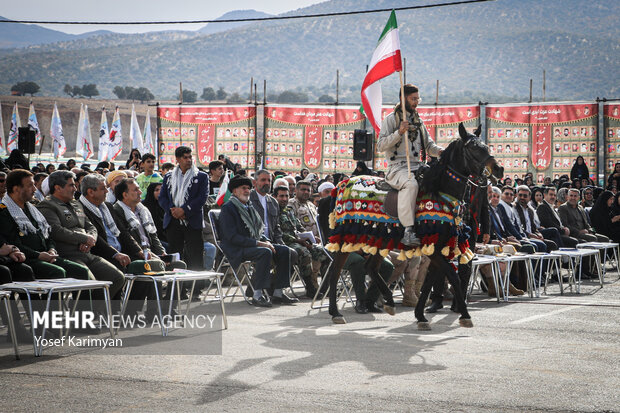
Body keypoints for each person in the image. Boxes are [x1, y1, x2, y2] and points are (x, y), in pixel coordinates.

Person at [37, 171, 126, 304]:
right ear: (57, 188)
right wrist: (83, 238)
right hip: (68, 255)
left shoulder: (76, 204)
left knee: (117, 277)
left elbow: (91, 227)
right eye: (71, 185)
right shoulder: (47, 205)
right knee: (90, 282)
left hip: (87, 253)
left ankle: (95, 310)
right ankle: (84, 314)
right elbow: (56, 230)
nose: (75, 189)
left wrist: (90, 239)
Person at [376, 84, 443, 246]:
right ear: (402, 98)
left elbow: (430, 147)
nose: (416, 102)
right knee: (411, 184)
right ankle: (408, 230)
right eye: (413, 99)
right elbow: (380, 146)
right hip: (397, 168)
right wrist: (398, 133)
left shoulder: (419, 122)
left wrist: (443, 152)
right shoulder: (390, 120)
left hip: (418, 166)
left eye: (417, 99)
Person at [218, 175, 297, 307]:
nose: (247, 191)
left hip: (251, 244)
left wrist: (267, 241)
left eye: (248, 188)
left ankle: (278, 292)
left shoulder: (249, 207)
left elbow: (258, 232)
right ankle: (257, 295)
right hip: (236, 247)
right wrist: (259, 243)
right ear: (234, 191)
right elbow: (232, 237)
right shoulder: (228, 208)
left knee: (284, 250)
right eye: (243, 188)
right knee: (265, 252)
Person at [158, 146, 209, 270]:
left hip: (192, 219)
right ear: (177, 159)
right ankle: (176, 287)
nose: (188, 160)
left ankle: (195, 286)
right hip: (173, 220)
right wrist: (173, 210)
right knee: (176, 254)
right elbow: (162, 198)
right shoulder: (169, 177)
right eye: (185, 157)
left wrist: (184, 210)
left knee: (195, 254)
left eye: (190, 157)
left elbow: (202, 198)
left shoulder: (201, 176)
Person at [274, 186, 329, 298]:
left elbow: (299, 226)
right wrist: (297, 240)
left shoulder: (288, 211)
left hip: (299, 240)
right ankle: (310, 287)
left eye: (286, 196)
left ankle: (326, 287)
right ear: (275, 197)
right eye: (281, 196)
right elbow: (277, 233)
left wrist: (310, 237)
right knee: (304, 252)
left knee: (325, 252)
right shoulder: (273, 211)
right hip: (286, 242)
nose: (284, 199)